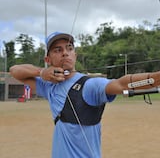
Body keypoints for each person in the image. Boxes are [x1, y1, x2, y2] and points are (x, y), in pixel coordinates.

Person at [10, 31, 160, 158]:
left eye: (69, 48)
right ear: (47, 59)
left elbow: (122, 84)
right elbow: (15, 70)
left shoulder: (89, 85)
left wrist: (155, 79)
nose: (64, 53)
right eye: (57, 50)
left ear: (75, 54)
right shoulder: (48, 86)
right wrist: (41, 72)